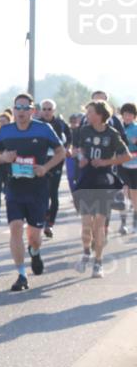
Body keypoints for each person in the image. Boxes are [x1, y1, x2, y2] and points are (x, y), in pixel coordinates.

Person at [0, 93, 66, 291]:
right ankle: (21, 274)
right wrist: (4, 157)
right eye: (18, 108)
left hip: (38, 188)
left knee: (34, 236)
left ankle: (35, 251)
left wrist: (45, 168)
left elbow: (61, 152)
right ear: (13, 110)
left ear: (33, 111)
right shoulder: (5, 131)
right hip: (14, 187)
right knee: (16, 228)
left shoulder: (43, 129)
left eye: (26, 108)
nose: (21, 111)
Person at [73, 100, 131, 278]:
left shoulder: (112, 134)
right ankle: (85, 252)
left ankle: (98, 262)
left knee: (99, 224)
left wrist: (106, 162)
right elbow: (76, 149)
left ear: (99, 115)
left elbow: (127, 156)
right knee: (86, 224)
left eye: (90, 112)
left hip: (104, 181)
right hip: (86, 180)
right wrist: (81, 157)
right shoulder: (83, 130)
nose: (87, 116)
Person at [36, 99, 71, 238]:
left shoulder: (60, 124)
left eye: (49, 109)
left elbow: (69, 139)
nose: (46, 111)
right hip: (41, 161)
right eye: (44, 109)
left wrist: (66, 149)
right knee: (41, 192)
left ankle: (50, 223)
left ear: (54, 110)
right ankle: (42, 220)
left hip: (56, 161)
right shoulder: (36, 124)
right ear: (40, 110)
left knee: (53, 192)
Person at [0, 109, 14, 222]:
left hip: (9, 164)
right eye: (0, 121)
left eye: (4, 121)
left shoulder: (13, 133)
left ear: (9, 122)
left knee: (9, 188)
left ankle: (11, 210)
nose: (1, 123)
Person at [120, 102, 137, 234]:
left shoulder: (136, 129)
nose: (128, 117)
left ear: (134, 116)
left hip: (135, 165)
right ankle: (123, 223)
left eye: (130, 114)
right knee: (124, 193)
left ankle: (135, 222)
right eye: (125, 114)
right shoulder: (118, 128)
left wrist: (131, 154)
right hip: (122, 166)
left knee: (134, 194)